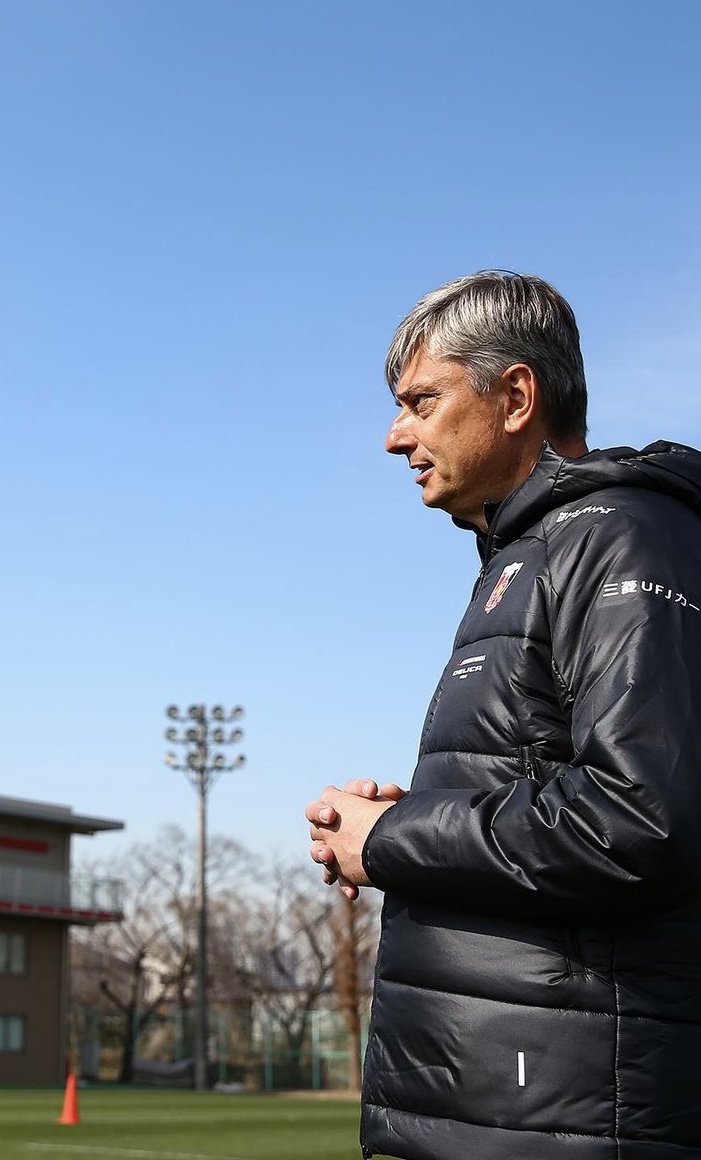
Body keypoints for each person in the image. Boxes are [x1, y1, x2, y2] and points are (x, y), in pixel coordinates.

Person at [306, 271, 701, 1160]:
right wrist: (408, 819)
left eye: (421, 401)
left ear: (515, 397)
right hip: (493, 1113)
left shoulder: (617, 533)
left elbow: (639, 820)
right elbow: (548, 789)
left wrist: (395, 838)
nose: (394, 435)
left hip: (560, 1123)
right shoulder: (527, 552)